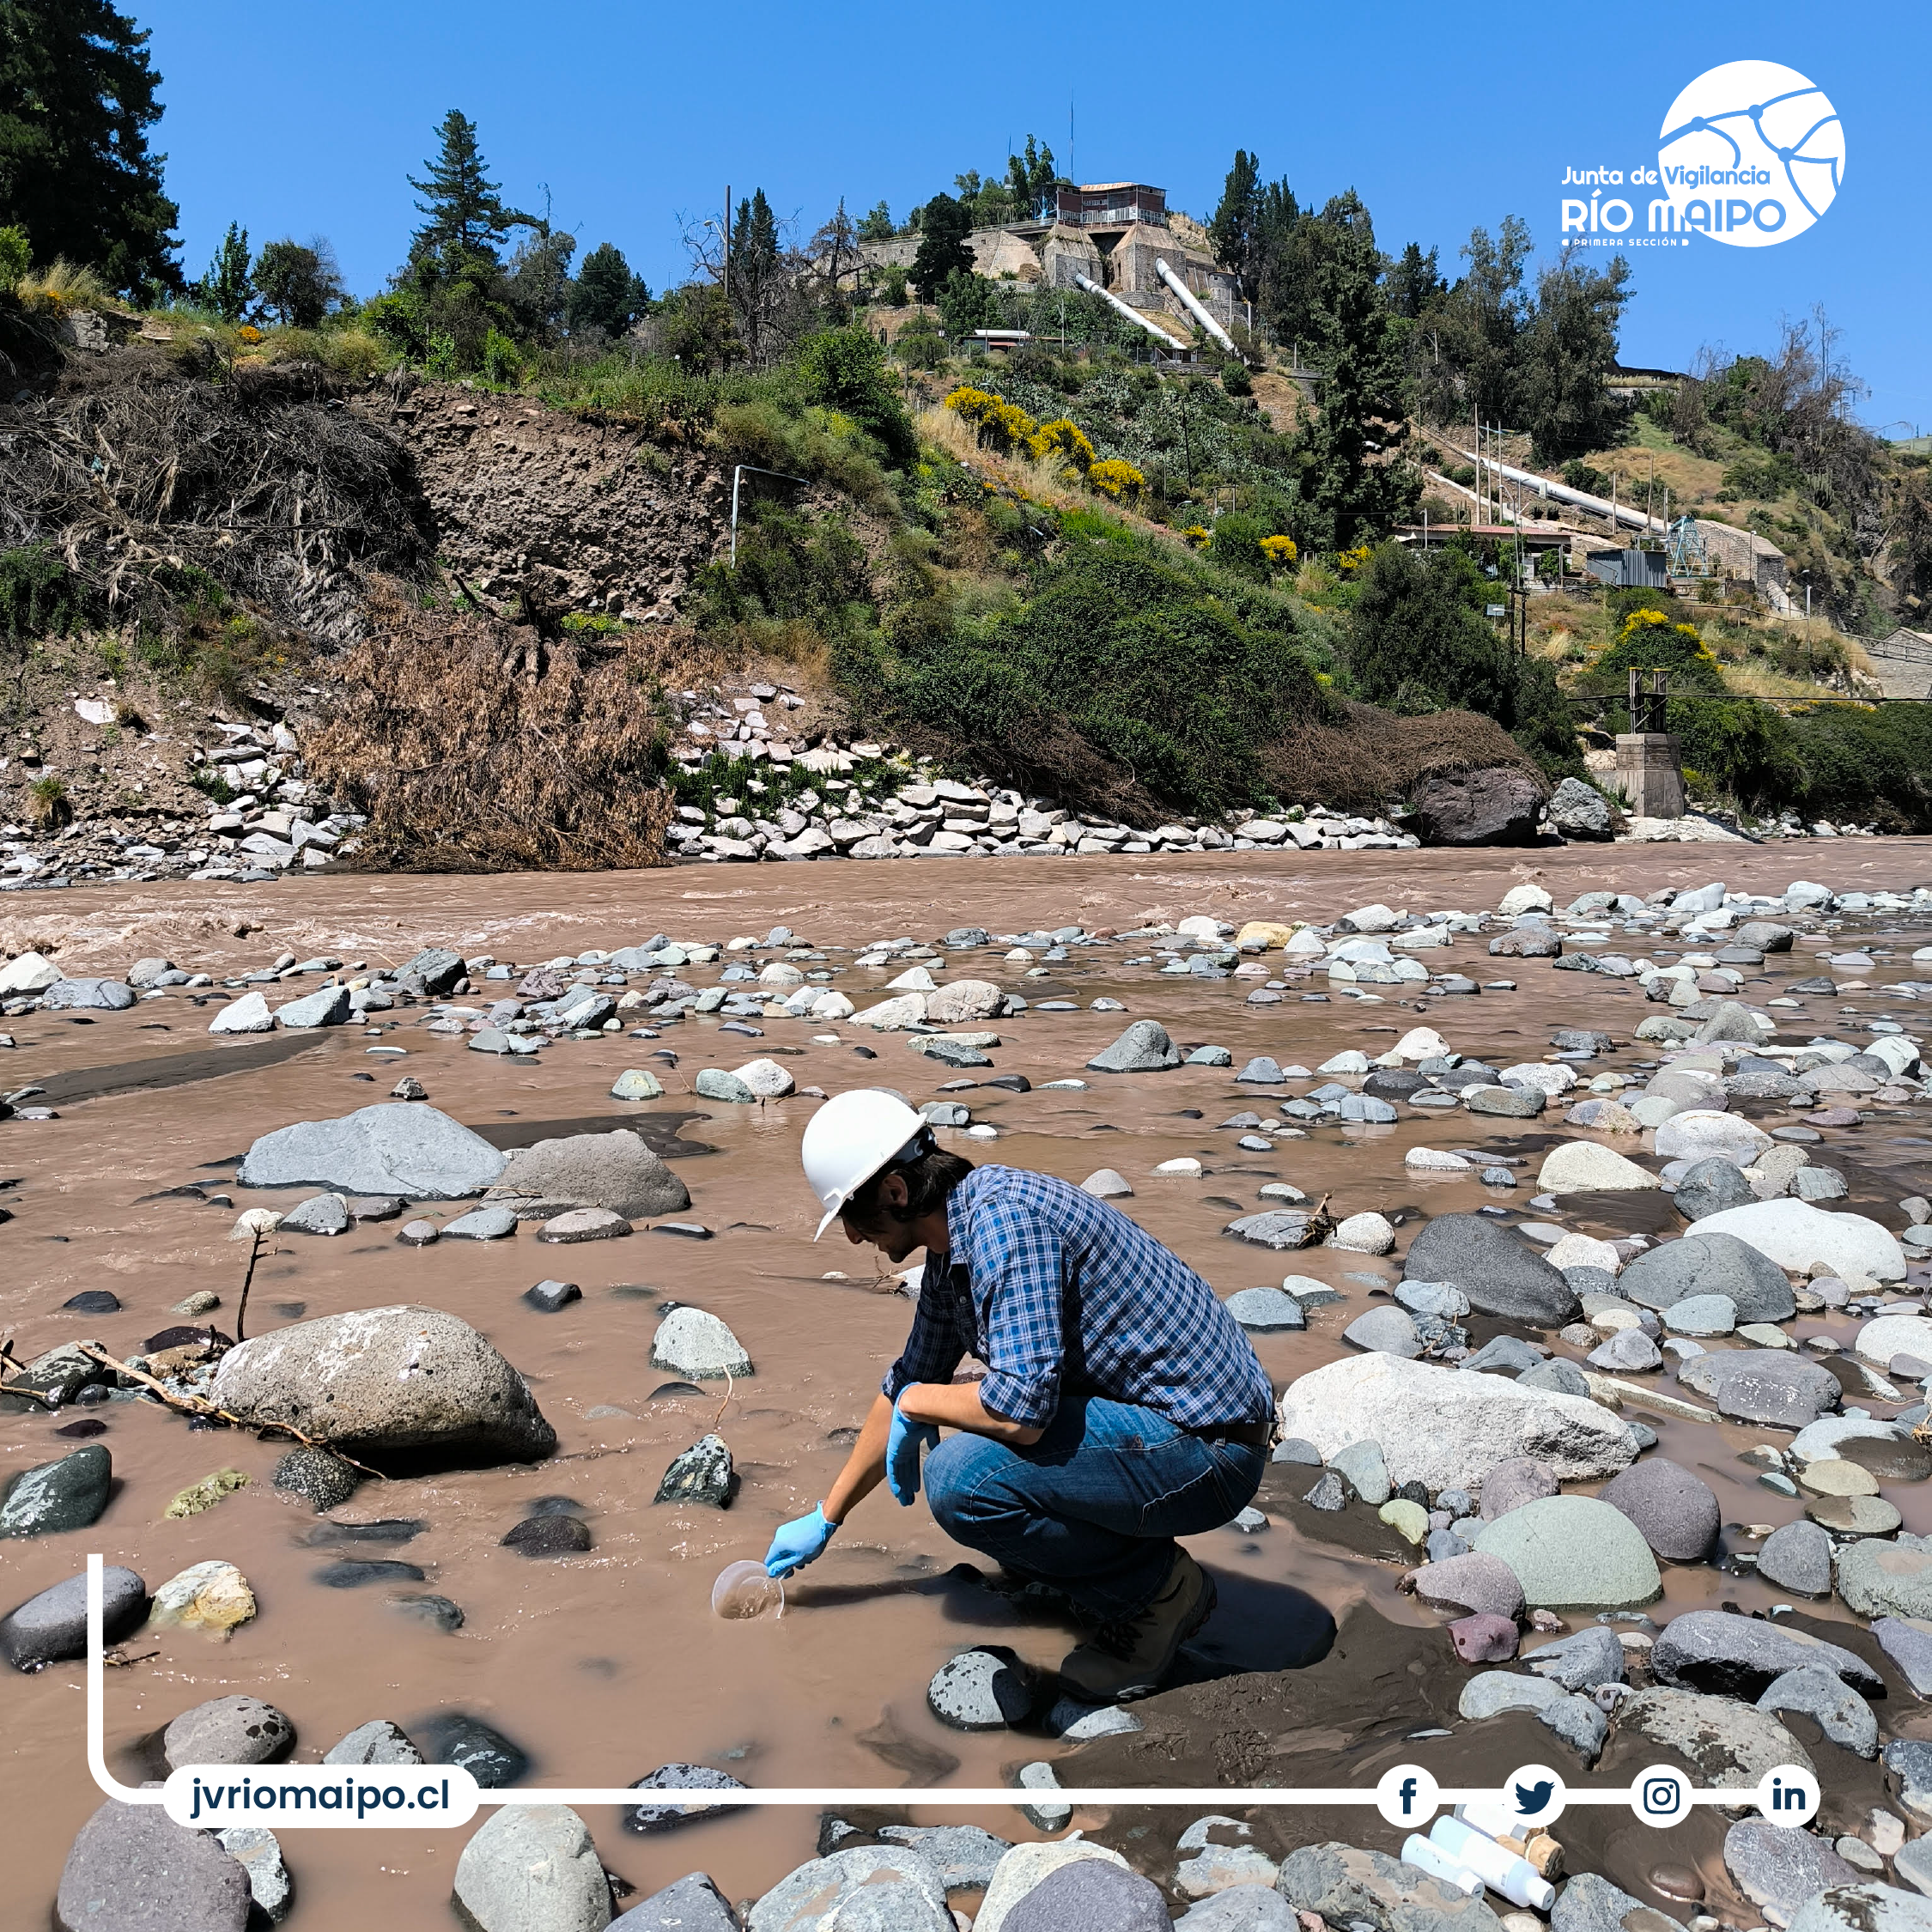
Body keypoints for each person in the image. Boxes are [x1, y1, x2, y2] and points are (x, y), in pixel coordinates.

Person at [762, 1088, 1275, 1703]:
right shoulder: (955, 1245)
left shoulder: (1006, 1225)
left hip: (1212, 1449)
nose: (851, 1237)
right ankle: (1103, 1570)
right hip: (1163, 1427)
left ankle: (1159, 1594)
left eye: (852, 1215)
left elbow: (1020, 1412)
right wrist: (827, 1516)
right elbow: (903, 1381)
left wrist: (921, 1404)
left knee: (963, 1482)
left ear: (897, 1192)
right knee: (977, 1462)